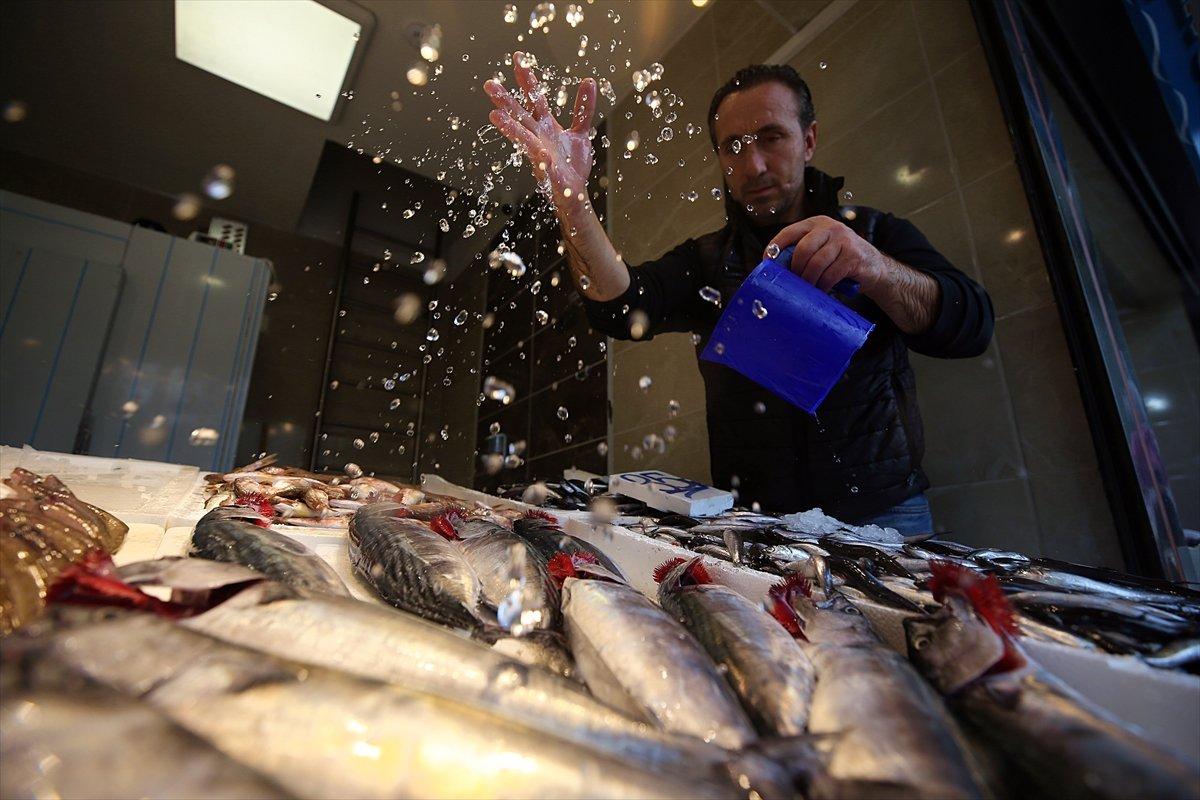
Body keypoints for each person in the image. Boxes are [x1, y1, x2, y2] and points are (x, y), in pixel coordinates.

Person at [484, 56, 994, 534]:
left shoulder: (877, 234)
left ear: (809, 139)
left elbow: (970, 325)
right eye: (732, 146)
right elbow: (620, 307)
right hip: (758, 521)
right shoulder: (705, 261)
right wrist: (573, 201)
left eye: (771, 137)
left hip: (886, 511)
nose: (751, 166)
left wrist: (876, 269)